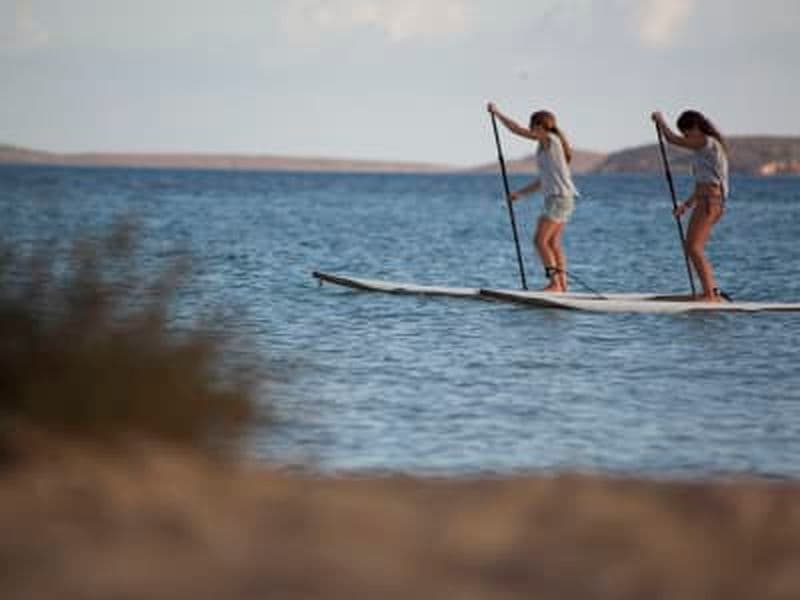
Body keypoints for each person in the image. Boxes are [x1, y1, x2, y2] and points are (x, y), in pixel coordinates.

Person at [487, 103, 579, 292]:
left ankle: (554, 284)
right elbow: (541, 181)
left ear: (539, 127)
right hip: (563, 198)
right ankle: (562, 285)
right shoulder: (547, 146)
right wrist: (519, 194)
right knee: (553, 243)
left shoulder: (550, 139)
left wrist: (497, 113)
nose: (530, 130)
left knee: (540, 241)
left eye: (532, 126)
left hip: (559, 199)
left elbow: (515, 130)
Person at [652, 109, 730, 302]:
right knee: (694, 248)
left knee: (694, 248)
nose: (685, 137)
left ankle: (710, 295)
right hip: (708, 201)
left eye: (686, 132)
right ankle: (711, 291)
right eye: (684, 133)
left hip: (710, 202)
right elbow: (702, 184)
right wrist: (685, 206)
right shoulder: (703, 148)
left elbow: (672, 140)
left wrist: (660, 121)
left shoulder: (706, 142)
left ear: (695, 127)